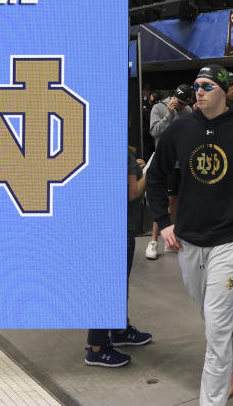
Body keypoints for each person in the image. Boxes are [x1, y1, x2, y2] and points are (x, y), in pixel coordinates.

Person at [146, 64, 233, 405]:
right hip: (189, 241)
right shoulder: (180, 131)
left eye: (206, 85)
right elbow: (155, 176)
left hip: (230, 240)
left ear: (224, 90)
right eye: (196, 85)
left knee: (218, 327)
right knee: (211, 318)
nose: (198, 91)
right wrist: (164, 222)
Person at [85, 149, 153, 367]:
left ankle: (119, 329)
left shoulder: (112, 149)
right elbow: (131, 192)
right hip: (117, 229)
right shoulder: (117, 152)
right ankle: (97, 348)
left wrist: (136, 168)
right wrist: (148, 175)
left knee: (116, 287)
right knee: (109, 289)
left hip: (113, 227)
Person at [146, 83, 194, 260]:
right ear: (174, 97)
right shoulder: (159, 108)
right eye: (179, 102)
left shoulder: (188, 110)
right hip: (163, 162)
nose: (181, 106)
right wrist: (169, 114)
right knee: (161, 199)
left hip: (181, 162)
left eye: (184, 103)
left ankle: (170, 238)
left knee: (175, 200)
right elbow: (154, 132)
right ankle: (153, 240)